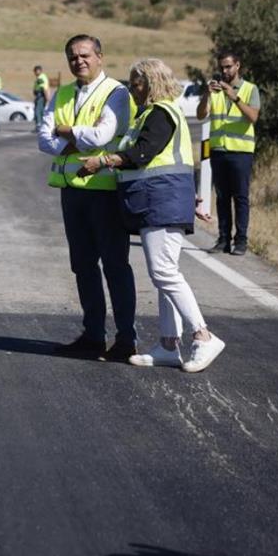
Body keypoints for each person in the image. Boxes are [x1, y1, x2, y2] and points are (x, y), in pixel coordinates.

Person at [79, 58, 226, 373]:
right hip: (158, 200)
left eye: (137, 83)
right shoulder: (150, 113)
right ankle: (168, 346)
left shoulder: (161, 113)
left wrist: (103, 161)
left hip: (161, 200)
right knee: (164, 273)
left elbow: (143, 153)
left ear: (153, 82)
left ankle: (203, 335)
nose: (133, 89)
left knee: (163, 273)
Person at [37, 34, 137, 361]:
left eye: (85, 55)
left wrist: (66, 132)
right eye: (72, 57)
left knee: (115, 265)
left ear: (99, 57)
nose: (78, 61)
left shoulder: (116, 92)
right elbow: (43, 138)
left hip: (105, 192)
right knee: (82, 265)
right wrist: (76, 137)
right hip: (72, 191)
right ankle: (93, 336)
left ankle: (126, 339)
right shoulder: (64, 93)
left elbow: (102, 135)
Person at [197, 50, 261, 255]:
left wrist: (235, 97)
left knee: (240, 197)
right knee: (222, 197)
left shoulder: (250, 89)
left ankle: (241, 240)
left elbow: (253, 117)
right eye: (222, 67)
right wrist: (207, 94)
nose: (224, 71)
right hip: (218, 150)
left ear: (237, 66)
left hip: (240, 151)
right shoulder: (215, 90)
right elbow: (200, 115)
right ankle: (223, 239)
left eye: (228, 67)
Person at [32, 65, 50, 133]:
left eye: (36, 71)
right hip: (40, 95)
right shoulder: (40, 77)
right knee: (41, 110)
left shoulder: (41, 78)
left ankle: (39, 125)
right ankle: (41, 125)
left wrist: (47, 97)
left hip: (41, 95)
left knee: (38, 110)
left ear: (40, 71)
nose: (35, 72)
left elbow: (44, 88)